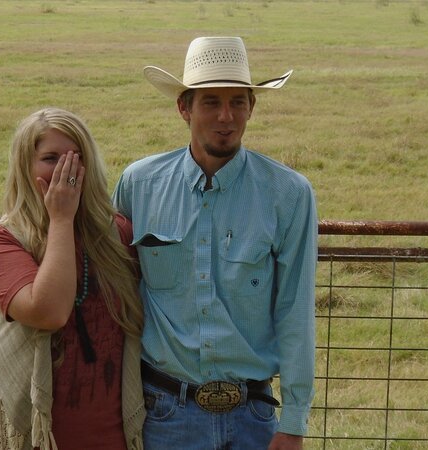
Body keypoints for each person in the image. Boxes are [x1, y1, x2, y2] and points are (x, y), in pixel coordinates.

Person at [113, 37, 317, 450]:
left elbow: (295, 309)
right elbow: (117, 292)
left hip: (254, 417)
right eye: (210, 102)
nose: (226, 117)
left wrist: (292, 423)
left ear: (251, 107)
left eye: (238, 102)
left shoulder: (289, 194)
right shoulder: (139, 185)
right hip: (165, 413)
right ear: (184, 108)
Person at [0, 107, 145, 450]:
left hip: (111, 433)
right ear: (26, 166)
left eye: (75, 158)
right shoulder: (0, 240)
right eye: (50, 158)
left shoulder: (118, 234)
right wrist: (61, 221)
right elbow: (49, 311)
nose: (66, 170)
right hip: (29, 434)